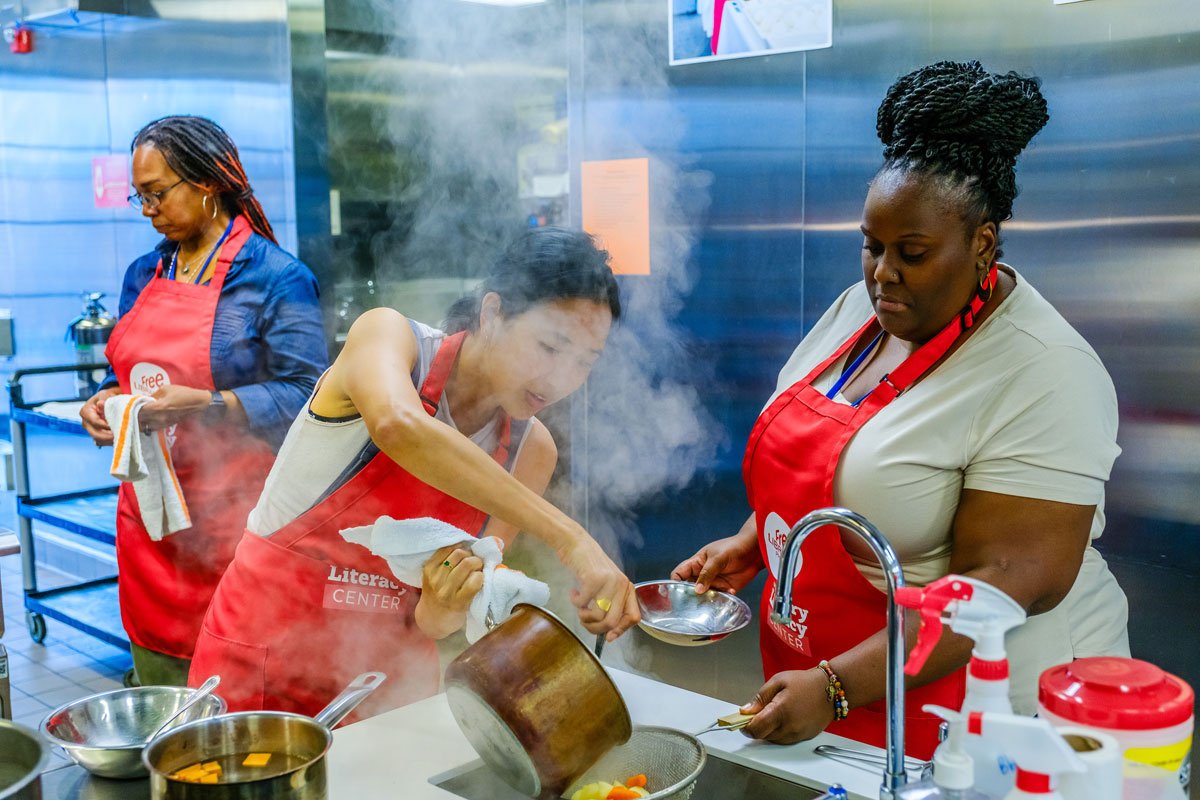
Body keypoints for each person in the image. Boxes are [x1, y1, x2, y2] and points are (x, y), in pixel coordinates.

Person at [672, 61, 1130, 758]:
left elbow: (1004, 582)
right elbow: (849, 464)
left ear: (983, 243)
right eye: (871, 245)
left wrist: (834, 685)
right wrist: (764, 541)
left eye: (911, 253)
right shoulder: (868, 310)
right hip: (846, 689)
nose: (883, 272)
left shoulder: (1044, 371)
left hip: (993, 714)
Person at [187, 226, 640, 720]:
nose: (561, 379)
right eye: (551, 348)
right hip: (264, 665)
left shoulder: (532, 451)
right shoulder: (388, 338)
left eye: (584, 362)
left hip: (388, 686)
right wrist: (571, 538)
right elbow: (399, 427)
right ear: (493, 313)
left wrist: (447, 603)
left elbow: (433, 618)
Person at [79, 115, 328, 686]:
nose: (147, 210)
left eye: (157, 193)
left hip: (238, 530)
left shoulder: (276, 278)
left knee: (236, 708)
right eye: (138, 196)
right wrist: (108, 403)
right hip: (152, 528)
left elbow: (308, 400)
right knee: (165, 704)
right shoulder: (145, 272)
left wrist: (207, 404)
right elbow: (134, 375)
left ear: (206, 181)